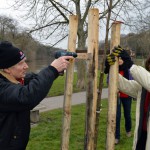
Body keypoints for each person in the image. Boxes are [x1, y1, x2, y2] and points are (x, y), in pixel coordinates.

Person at [0, 41, 74, 150]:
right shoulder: (2, 87)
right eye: (20, 63)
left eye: (25, 61)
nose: (26, 66)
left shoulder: (11, 80)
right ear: (7, 69)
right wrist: (52, 70)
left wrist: (56, 70)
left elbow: (31, 80)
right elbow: (26, 97)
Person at [105, 45, 150, 150]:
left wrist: (130, 64)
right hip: (143, 134)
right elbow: (125, 85)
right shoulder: (143, 87)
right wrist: (111, 70)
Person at [104, 47, 133, 144]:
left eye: (121, 59)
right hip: (116, 96)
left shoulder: (127, 68)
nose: (119, 61)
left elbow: (132, 82)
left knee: (127, 115)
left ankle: (128, 130)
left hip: (127, 96)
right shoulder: (113, 68)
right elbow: (108, 78)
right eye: (118, 59)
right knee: (116, 116)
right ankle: (116, 137)